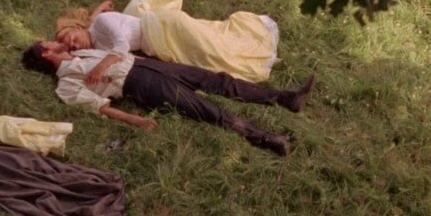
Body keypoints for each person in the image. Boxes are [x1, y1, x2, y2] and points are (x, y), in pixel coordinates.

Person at [21, 41, 315, 156]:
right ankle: (269, 140)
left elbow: (117, 53)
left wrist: (101, 65)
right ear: (46, 54)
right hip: (141, 85)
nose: (56, 41)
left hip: (148, 65)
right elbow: (101, 107)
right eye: (49, 43)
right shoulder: (66, 85)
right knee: (209, 111)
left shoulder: (82, 53)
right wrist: (136, 120)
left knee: (219, 81)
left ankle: (285, 98)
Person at [54, 0, 279, 83]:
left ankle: (255, 46)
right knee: (201, 59)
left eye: (72, 38)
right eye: (71, 46)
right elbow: (92, 29)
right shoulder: (95, 42)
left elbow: (121, 44)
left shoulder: (102, 23)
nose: (74, 44)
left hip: (165, 27)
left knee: (212, 46)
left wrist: (101, 67)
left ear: (78, 27)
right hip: (156, 44)